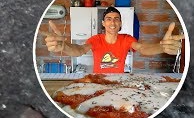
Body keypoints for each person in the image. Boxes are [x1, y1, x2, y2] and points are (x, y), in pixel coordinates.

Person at [44, 7, 183, 74]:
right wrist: (64, 47)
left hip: (119, 82)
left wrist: (161, 47)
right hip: (98, 81)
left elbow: (142, 48)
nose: (113, 22)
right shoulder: (95, 39)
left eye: (116, 19)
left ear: (120, 23)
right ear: (103, 23)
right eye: (109, 19)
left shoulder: (126, 39)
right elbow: (80, 50)